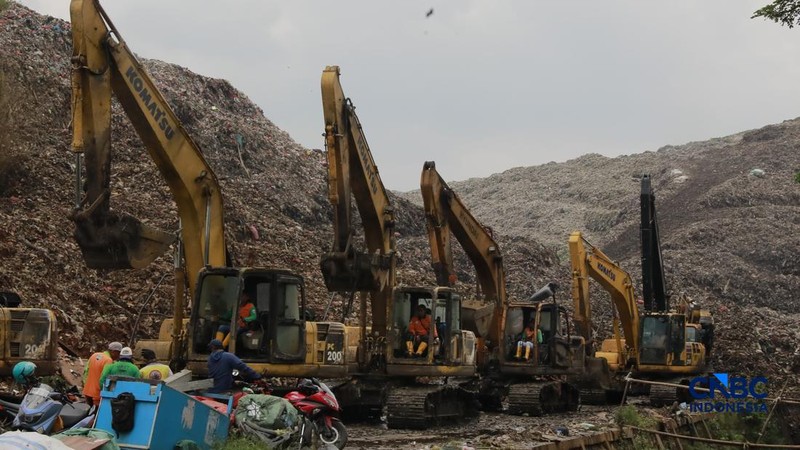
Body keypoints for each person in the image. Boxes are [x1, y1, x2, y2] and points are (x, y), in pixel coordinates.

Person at [82, 342, 121, 407]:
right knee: (95, 415)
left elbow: (86, 371)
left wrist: (85, 384)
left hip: (87, 391)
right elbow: (105, 377)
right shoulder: (108, 360)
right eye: (118, 353)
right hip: (97, 394)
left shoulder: (94, 355)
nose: (119, 356)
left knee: (89, 413)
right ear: (114, 351)